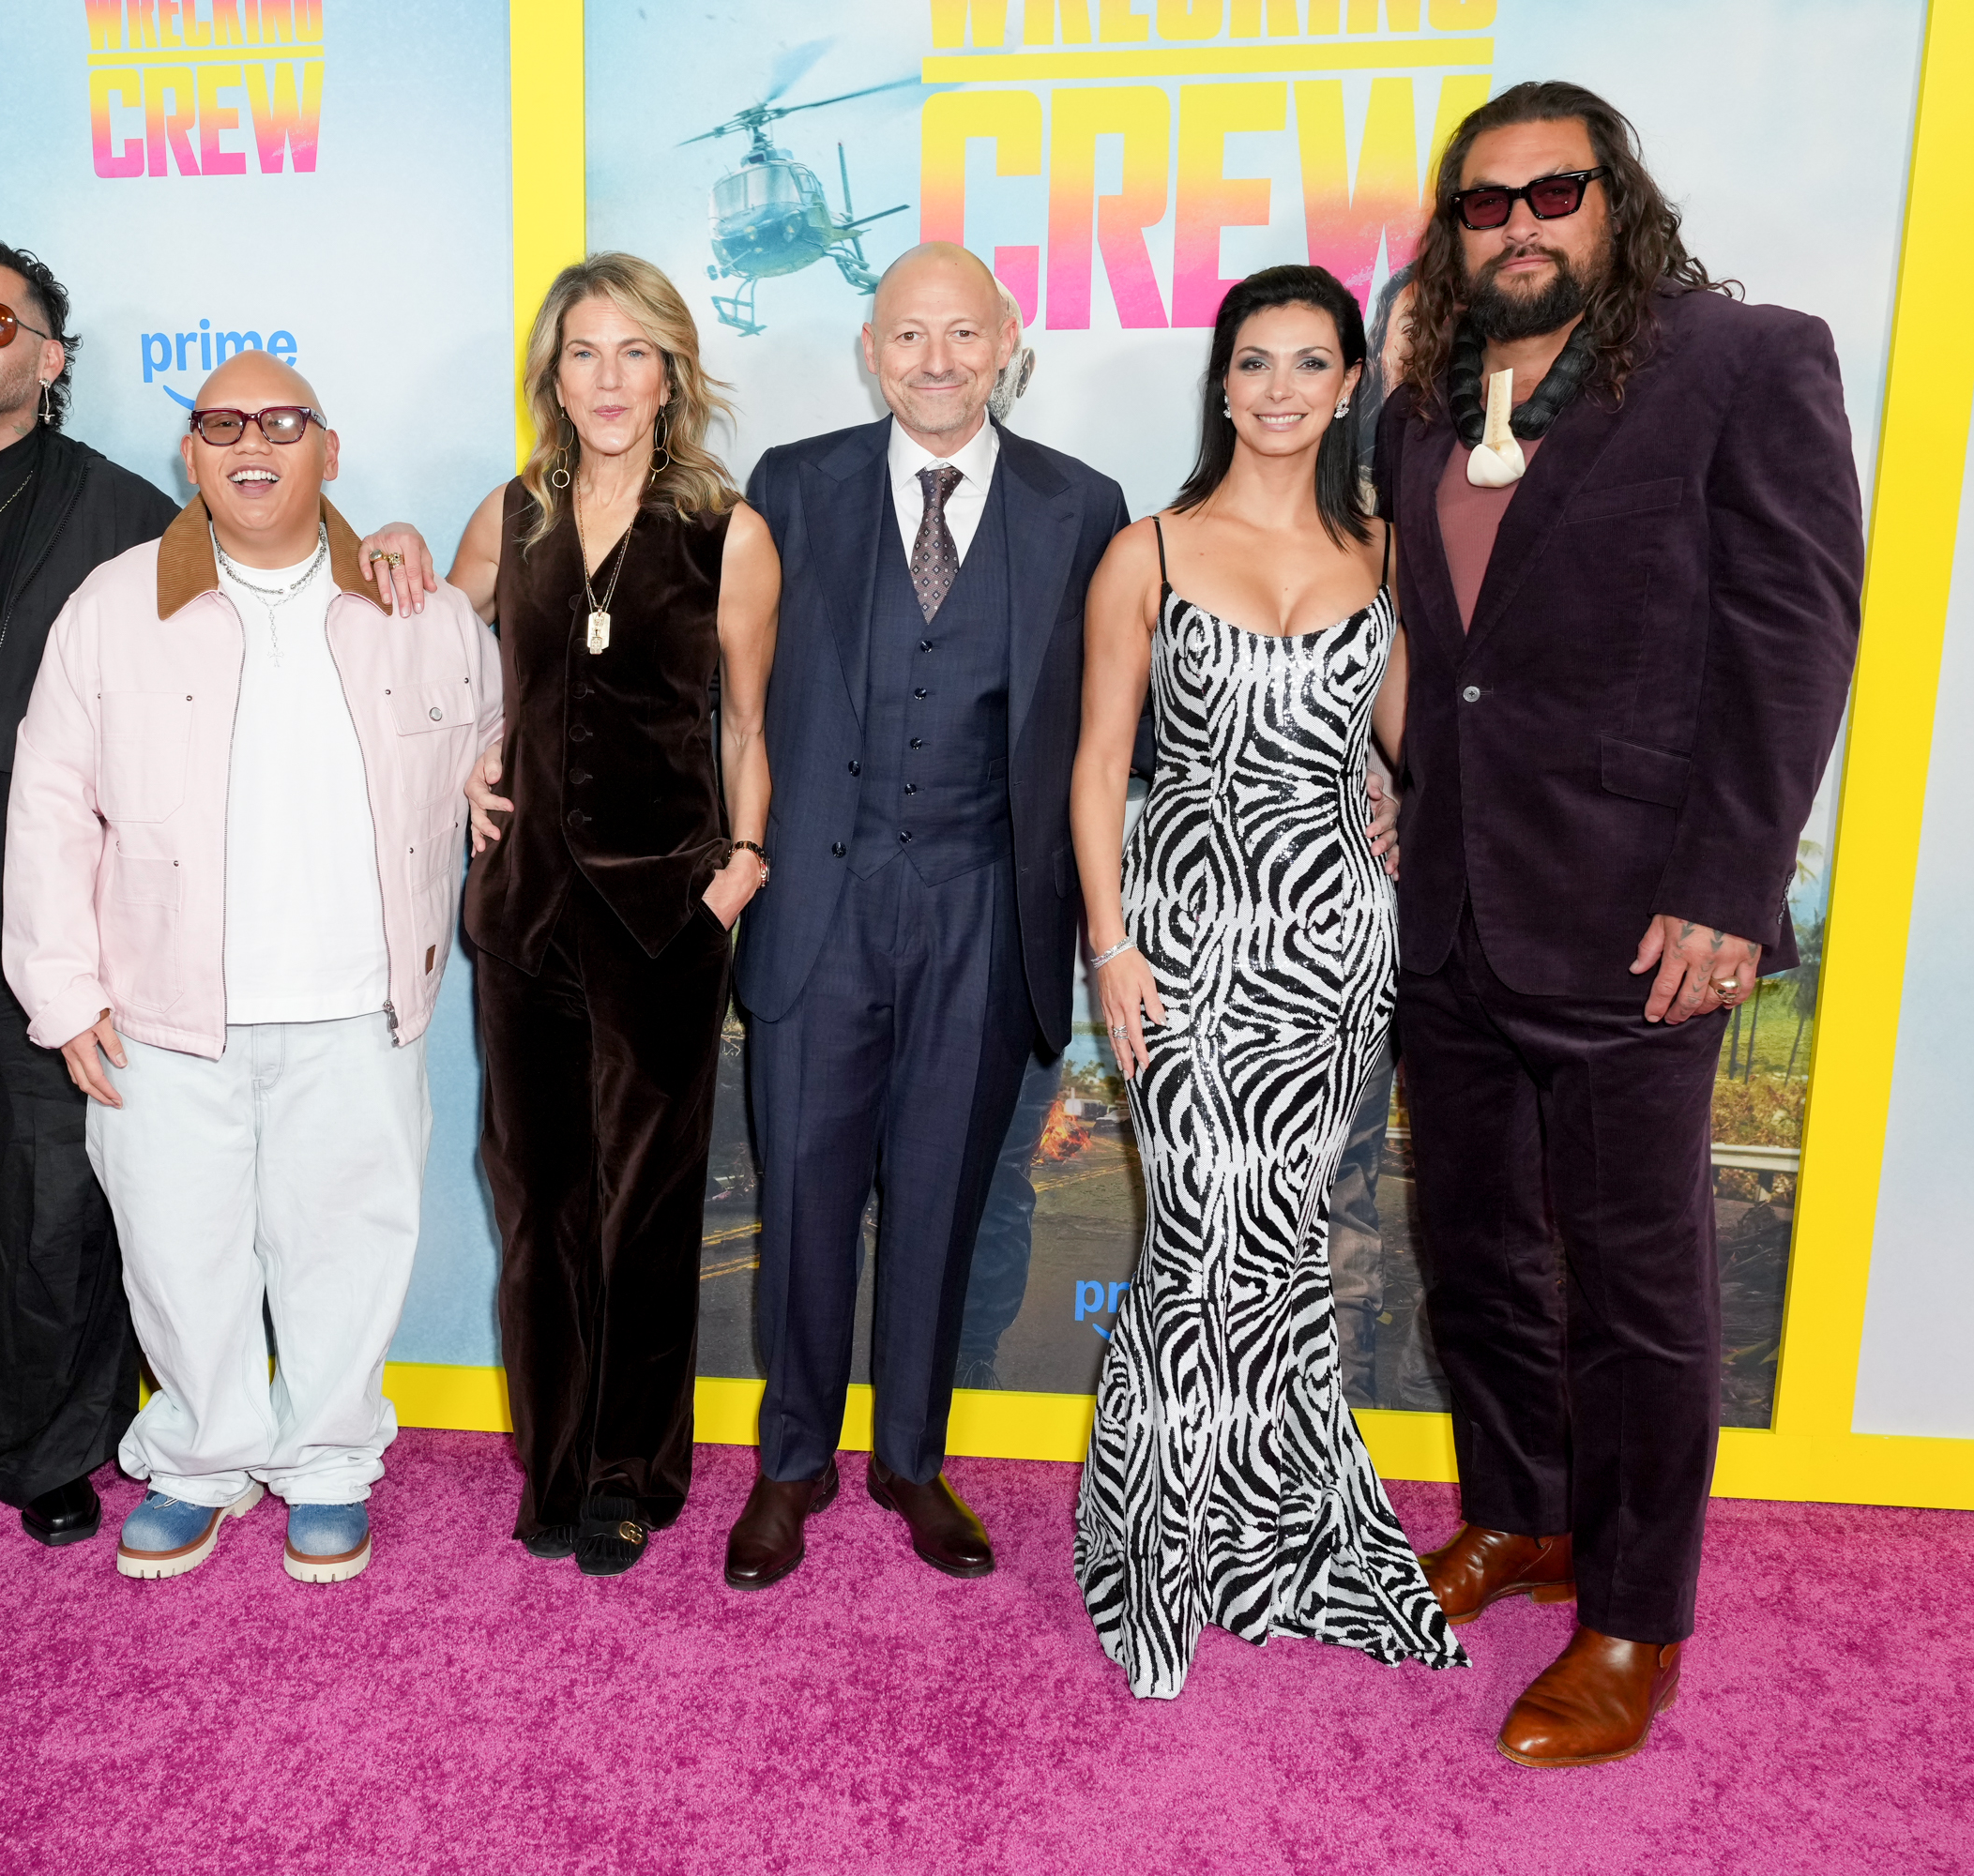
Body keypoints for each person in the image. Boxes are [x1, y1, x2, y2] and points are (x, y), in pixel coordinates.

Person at [1375, 82, 1861, 1765]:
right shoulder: (1421, 401)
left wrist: (1733, 886)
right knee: (1475, 1255)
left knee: (1639, 1292)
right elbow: (1443, 650)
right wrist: (1399, 781)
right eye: (1485, 204)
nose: (1518, 224)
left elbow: (1796, 633)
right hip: (1449, 908)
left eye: (1552, 193)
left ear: (1615, 199)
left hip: (1641, 916)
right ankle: (1523, 1517)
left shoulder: (1743, 358)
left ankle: (1638, 1617)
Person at [3, 351, 497, 1584]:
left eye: (282, 420)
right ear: (193, 456)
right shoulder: (114, 607)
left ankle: (329, 1464)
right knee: (177, 1252)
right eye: (221, 423)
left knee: (348, 1247)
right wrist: (61, 989)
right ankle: (199, 1461)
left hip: (358, 1003)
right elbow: (52, 801)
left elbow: (488, 747)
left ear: (328, 446)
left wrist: (492, 786)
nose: (251, 442)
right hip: (162, 1014)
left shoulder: (419, 610)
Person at [1067, 263, 1463, 1700]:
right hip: (1176, 947)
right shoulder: (1147, 552)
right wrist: (1110, 947)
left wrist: (1409, 806)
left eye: (1310, 363)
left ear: (1351, 383)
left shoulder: (1388, 555)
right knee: (1192, 1245)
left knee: (1281, 1251)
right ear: (1220, 383)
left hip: (1333, 953)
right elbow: (1100, 767)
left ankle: (1283, 1539)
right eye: (1255, 363)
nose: (1282, 389)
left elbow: (1424, 743)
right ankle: (1153, 1554)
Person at [722, 243, 1128, 1590]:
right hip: (820, 906)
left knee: (949, 1202)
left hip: (986, 907)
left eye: (964, 334)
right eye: (910, 336)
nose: (937, 360)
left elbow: (1119, 728)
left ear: (1011, 337)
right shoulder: (789, 485)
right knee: (807, 1201)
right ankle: (792, 1466)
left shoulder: (1084, 507)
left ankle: (911, 1458)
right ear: (869, 348)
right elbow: (718, 689)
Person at [449, 254, 780, 1575]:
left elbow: (749, 718)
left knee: (647, 1201)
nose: (608, 378)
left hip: (665, 910)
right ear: (553, 371)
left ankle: (632, 1469)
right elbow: (417, 658)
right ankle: (558, 1457)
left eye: (634, 352)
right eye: (584, 351)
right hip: (524, 910)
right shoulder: (511, 513)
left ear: (672, 374)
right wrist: (467, 757)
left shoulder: (727, 529)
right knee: (539, 1198)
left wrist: (742, 859)